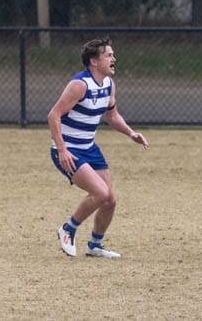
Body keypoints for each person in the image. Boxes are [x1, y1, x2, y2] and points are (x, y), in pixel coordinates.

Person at [48, 37, 148, 258]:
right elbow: (53, 115)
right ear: (94, 61)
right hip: (69, 149)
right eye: (109, 55)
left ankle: (95, 245)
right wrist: (62, 150)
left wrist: (131, 133)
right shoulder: (80, 85)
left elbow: (112, 115)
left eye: (113, 55)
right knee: (101, 193)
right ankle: (68, 229)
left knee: (110, 199)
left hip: (89, 147)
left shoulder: (109, 84)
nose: (114, 59)